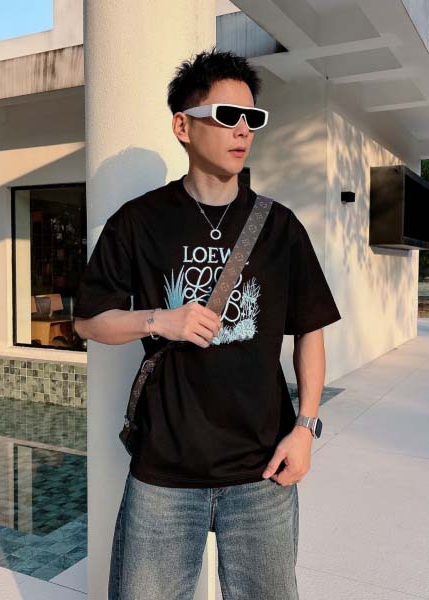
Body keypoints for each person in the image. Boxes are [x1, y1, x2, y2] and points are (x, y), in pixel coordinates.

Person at [73, 47, 341, 600]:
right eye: (226, 115)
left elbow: (309, 329)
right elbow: (89, 323)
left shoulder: (280, 226)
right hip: (164, 474)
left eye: (252, 118)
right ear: (183, 126)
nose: (243, 130)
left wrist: (305, 428)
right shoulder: (139, 221)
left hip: (262, 469)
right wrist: (159, 320)